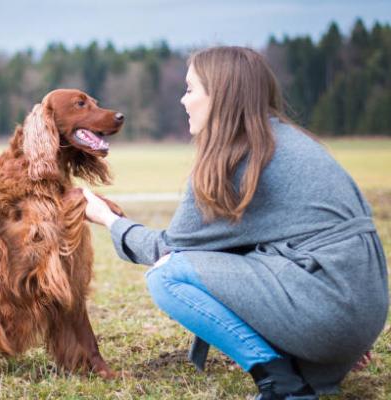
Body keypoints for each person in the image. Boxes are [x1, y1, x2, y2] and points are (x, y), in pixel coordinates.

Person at [81, 46, 389, 400]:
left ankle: (281, 384)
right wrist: (350, 327)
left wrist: (106, 218)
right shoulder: (288, 141)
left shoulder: (239, 157)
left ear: (220, 96)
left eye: (190, 89)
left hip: (332, 310)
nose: (183, 101)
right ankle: (304, 364)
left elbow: (171, 249)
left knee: (168, 274)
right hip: (357, 310)